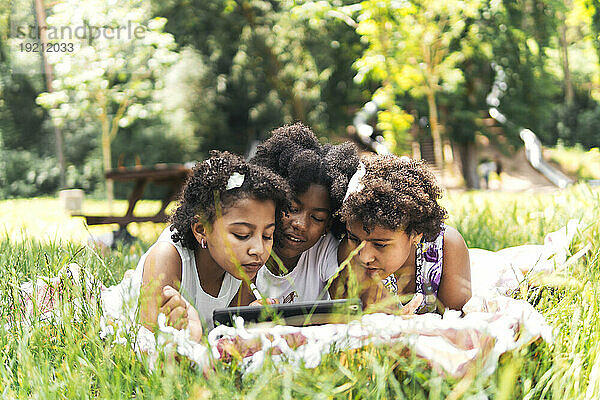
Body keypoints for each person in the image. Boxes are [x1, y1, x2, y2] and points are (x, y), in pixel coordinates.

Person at [136, 151, 290, 340]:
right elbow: (150, 346)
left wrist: (250, 321)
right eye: (242, 235)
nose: (258, 249)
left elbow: (226, 340)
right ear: (201, 229)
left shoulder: (244, 267)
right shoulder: (167, 257)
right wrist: (194, 335)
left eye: (267, 235)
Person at [335, 155, 471, 313]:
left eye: (380, 244)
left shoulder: (447, 246)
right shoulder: (349, 252)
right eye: (354, 239)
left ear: (416, 234)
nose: (364, 257)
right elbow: (386, 319)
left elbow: (457, 322)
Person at [245, 122, 360, 304]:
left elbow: (350, 308)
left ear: (328, 225)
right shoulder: (247, 247)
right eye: (292, 208)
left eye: (317, 218)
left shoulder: (325, 251)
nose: (300, 224)